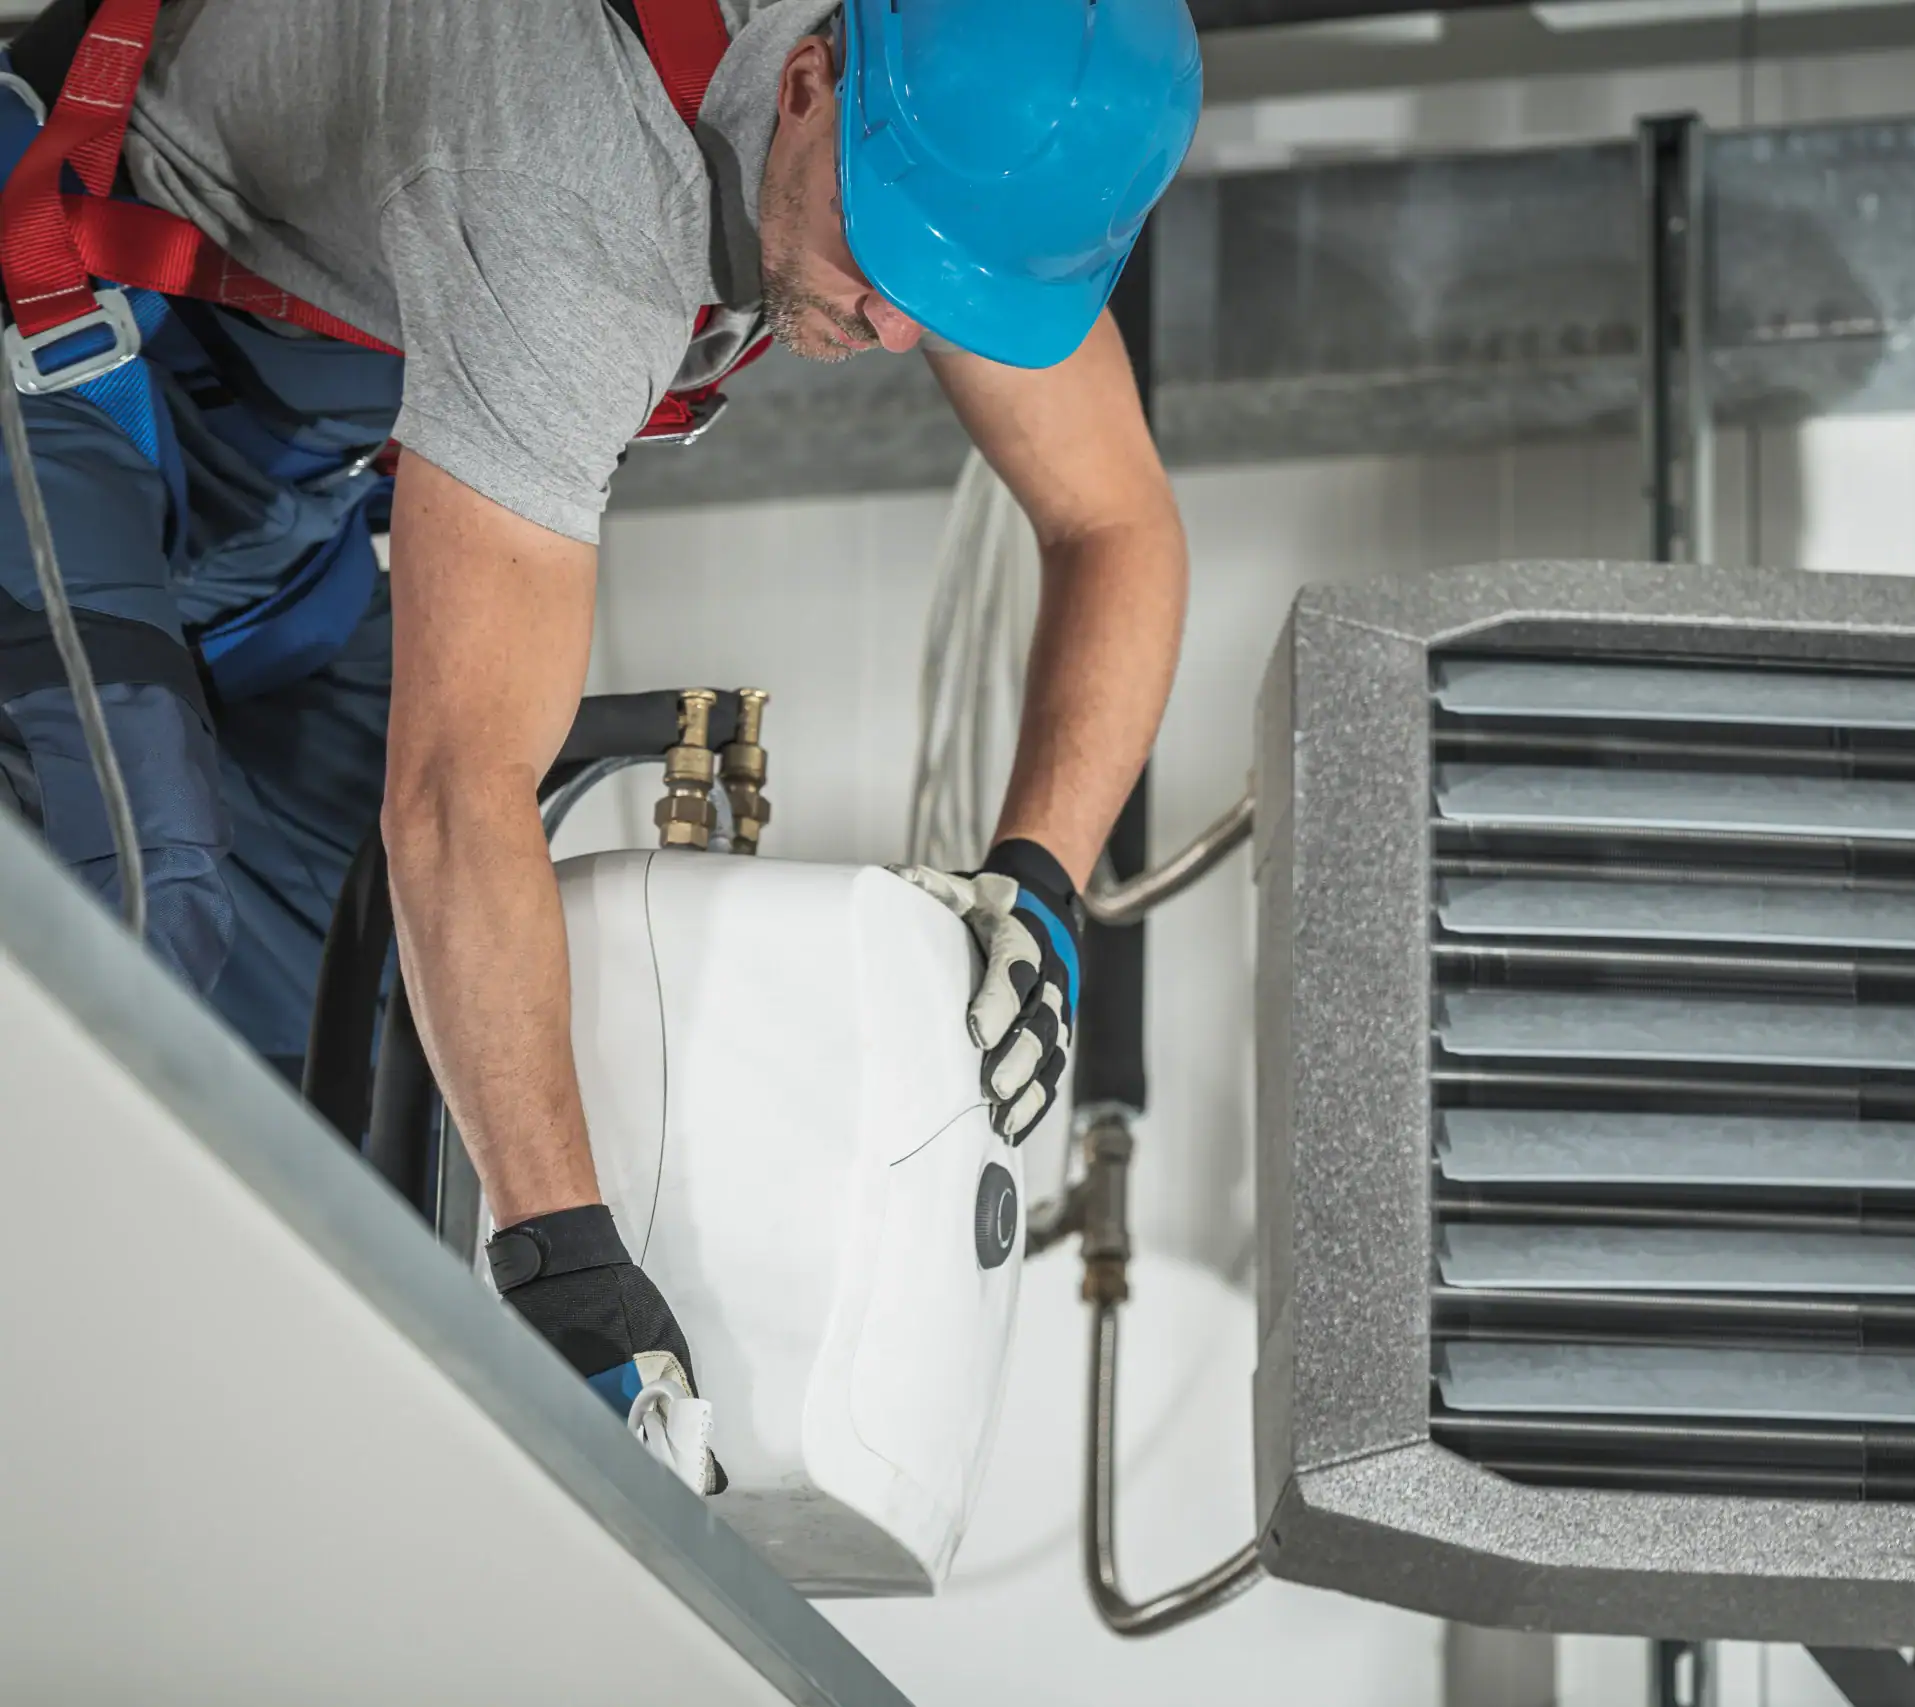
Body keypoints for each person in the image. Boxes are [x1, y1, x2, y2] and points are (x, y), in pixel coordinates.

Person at [0, 0, 1201, 1486]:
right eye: (886, 265)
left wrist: (1039, 886)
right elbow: (455, 797)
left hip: (277, 479)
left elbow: (1120, 525)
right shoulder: (577, 175)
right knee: (129, 893)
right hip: (53, 308)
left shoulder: (947, 138)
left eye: (950, 302)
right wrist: (566, 1265)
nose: (894, 332)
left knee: (359, 1009)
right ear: (811, 80)